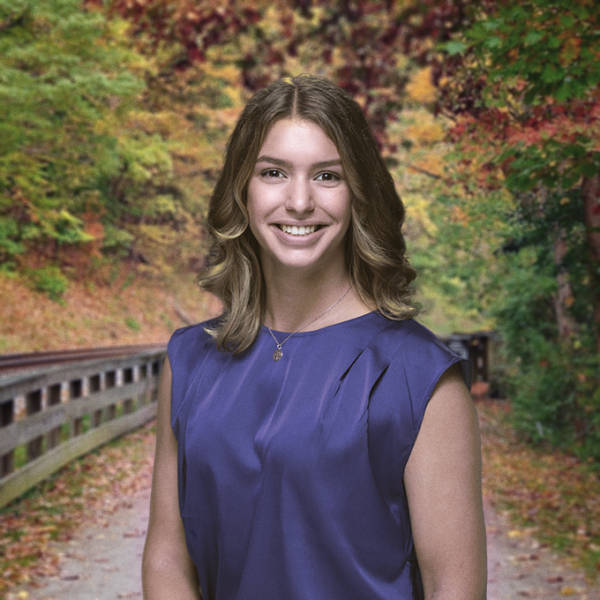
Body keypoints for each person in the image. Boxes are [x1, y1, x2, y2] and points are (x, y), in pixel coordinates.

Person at [142, 74, 487, 600]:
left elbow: (454, 586)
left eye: (328, 176)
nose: (299, 201)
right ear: (243, 187)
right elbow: (168, 559)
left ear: (358, 194)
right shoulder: (189, 361)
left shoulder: (419, 377)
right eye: (274, 172)